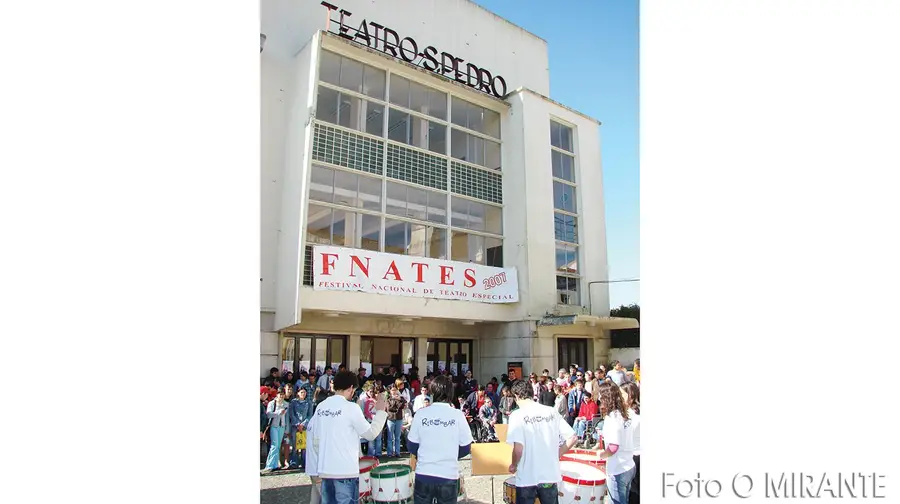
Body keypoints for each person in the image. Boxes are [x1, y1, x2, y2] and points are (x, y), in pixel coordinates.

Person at [305, 371, 388, 504]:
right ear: (350, 388)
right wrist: (381, 412)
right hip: (345, 471)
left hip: (325, 471)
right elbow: (371, 434)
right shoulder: (351, 408)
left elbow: (315, 440)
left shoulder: (321, 407)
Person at [506, 380, 577, 504]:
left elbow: (518, 449)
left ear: (516, 396)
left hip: (527, 477)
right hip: (549, 475)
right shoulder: (551, 411)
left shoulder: (516, 415)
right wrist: (557, 454)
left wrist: (513, 465)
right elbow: (572, 437)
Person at [407, 375, 473, 504]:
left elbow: (412, 446)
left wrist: (425, 454)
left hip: (424, 473)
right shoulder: (457, 415)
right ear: (450, 393)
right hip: (448, 474)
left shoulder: (421, 414)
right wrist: (450, 454)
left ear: (432, 392)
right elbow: (466, 447)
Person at [594, 382, 636, 504]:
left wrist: (601, 455)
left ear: (606, 397)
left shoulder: (612, 418)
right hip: (629, 464)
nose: (599, 399)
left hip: (618, 469)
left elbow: (613, 447)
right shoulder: (624, 413)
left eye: (601, 396)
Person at [620, 382, 641, 504]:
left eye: (622, 394)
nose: (620, 397)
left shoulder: (632, 414)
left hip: (635, 455)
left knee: (634, 491)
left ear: (630, 395)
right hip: (632, 454)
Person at [262, 386, 290, 473]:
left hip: (282, 426)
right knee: (274, 445)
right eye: (280, 394)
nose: (281, 396)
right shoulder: (272, 403)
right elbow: (268, 414)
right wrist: (278, 413)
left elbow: (287, 417)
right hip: (274, 426)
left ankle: (275, 464)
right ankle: (269, 465)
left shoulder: (286, 404)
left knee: (278, 446)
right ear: (277, 395)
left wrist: (287, 429)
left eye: (282, 395)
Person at [289, 386, 315, 469]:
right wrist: (297, 424)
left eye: (304, 392)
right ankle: (294, 462)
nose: (303, 394)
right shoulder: (293, 402)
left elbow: (310, 415)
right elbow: (291, 414)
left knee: (304, 446)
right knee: (294, 445)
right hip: (295, 426)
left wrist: (303, 424)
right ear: (298, 393)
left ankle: (304, 462)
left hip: (305, 426)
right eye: (301, 392)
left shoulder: (309, 402)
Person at [385, 385, 407, 457]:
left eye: (395, 390)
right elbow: (389, 408)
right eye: (392, 390)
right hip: (390, 419)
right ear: (390, 391)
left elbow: (403, 405)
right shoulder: (388, 398)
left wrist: (399, 399)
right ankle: (389, 453)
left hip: (399, 419)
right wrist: (396, 403)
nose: (394, 391)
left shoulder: (400, 398)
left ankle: (397, 452)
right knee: (390, 437)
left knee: (397, 437)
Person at [280, 384, 297, 469]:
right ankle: (279, 461)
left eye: (291, 389)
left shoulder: (293, 400)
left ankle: (286, 460)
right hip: (279, 424)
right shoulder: (281, 399)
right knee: (279, 443)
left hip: (289, 424)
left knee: (287, 442)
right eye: (288, 389)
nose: (289, 391)